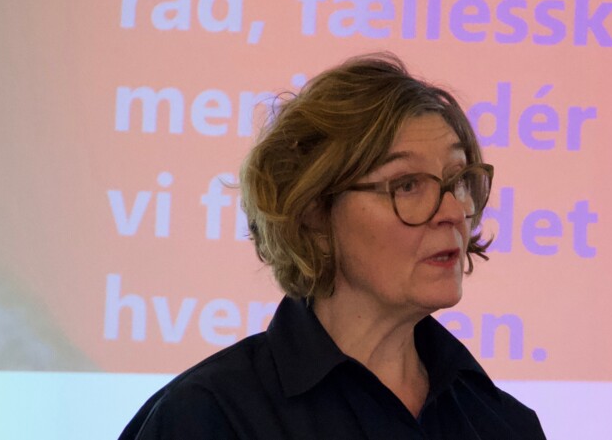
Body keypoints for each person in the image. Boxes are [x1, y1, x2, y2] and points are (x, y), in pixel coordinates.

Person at [120, 53, 546, 439]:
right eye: (407, 185)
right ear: (314, 212)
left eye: (458, 180)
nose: (452, 210)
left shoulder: (504, 425)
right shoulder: (210, 418)